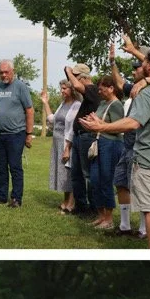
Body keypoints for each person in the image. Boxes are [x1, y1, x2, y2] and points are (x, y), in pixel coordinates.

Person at [81, 49, 150, 250]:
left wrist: (101, 127)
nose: (141, 64)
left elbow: (132, 123)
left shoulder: (148, 92)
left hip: (148, 160)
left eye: (144, 61)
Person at [0, 59, 35, 208]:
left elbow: (29, 110)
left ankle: (16, 198)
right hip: (0, 134)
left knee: (15, 166)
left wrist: (29, 133)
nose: (3, 75)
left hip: (16, 133)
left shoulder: (20, 87)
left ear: (12, 71)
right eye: (1, 72)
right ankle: (2, 196)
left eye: (6, 72)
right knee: (0, 166)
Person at [87, 77, 127, 230]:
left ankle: (109, 219)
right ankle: (100, 215)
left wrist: (97, 122)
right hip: (99, 143)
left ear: (111, 88)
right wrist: (91, 122)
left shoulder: (116, 105)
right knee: (95, 180)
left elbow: (118, 128)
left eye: (102, 89)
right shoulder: (103, 103)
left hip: (111, 144)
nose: (99, 92)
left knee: (106, 180)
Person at [62, 63, 99, 216]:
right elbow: (75, 85)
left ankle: (92, 207)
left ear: (84, 77)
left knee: (87, 174)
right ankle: (80, 206)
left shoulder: (92, 90)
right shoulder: (86, 92)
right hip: (79, 137)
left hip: (87, 136)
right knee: (76, 174)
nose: (73, 80)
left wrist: (69, 73)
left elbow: (77, 86)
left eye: (76, 77)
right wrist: (68, 73)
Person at [43, 81, 81, 213]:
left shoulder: (77, 105)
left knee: (68, 172)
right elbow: (52, 120)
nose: (62, 91)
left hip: (66, 143)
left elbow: (73, 129)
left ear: (72, 90)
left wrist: (67, 148)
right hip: (57, 143)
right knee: (62, 172)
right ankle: (65, 201)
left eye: (65, 88)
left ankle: (71, 203)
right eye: (61, 89)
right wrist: (45, 102)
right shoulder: (63, 104)